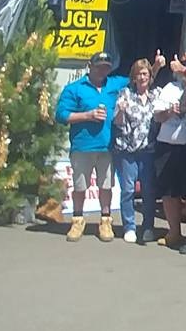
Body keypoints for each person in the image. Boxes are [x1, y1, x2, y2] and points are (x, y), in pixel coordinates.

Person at [55, 52, 127, 242]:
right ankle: (78, 220)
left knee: (106, 186)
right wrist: (88, 116)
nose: (103, 69)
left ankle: (105, 221)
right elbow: (61, 115)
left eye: (106, 66)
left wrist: (157, 67)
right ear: (90, 66)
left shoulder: (114, 84)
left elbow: (139, 80)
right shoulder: (75, 88)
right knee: (80, 186)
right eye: (99, 66)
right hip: (82, 146)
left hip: (108, 146)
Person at [152, 51, 186, 254]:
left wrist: (185, 71)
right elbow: (157, 117)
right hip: (167, 146)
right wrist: (169, 113)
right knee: (168, 193)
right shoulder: (169, 88)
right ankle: (174, 232)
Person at [112, 52, 167, 243]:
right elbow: (118, 123)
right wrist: (120, 109)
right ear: (134, 77)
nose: (142, 77)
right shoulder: (125, 94)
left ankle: (148, 226)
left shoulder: (156, 95)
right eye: (139, 74)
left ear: (150, 77)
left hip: (148, 150)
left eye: (145, 74)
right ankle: (129, 226)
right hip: (127, 150)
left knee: (149, 190)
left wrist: (158, 65)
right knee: (127, 189)